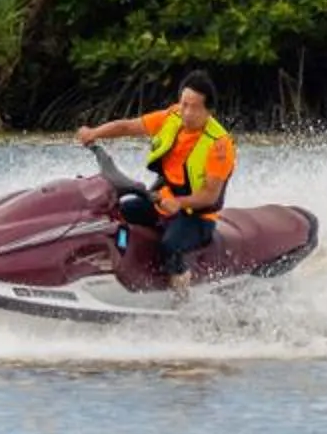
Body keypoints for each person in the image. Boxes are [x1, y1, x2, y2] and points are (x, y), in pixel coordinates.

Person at [75, 72, 235, 293]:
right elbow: (128, 127)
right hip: (162, 200)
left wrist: (179, 203)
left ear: (209, 111)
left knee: (170, 245)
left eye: (194, 108)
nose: (187, 113)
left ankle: (182, 295)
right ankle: (109, 270)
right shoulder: (172, 116)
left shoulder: (219, 145)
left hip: (197, 216)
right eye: (184, 104)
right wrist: (94, 133)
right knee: (116, 211)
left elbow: (209, 195)